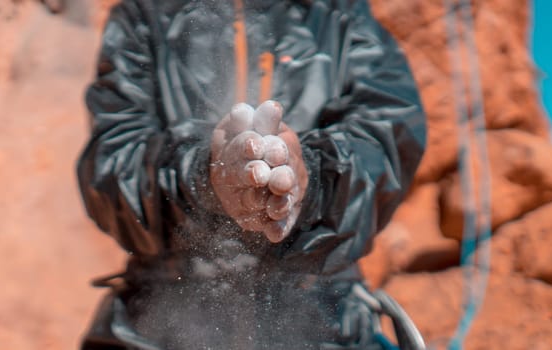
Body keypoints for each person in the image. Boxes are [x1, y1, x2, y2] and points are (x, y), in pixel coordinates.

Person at [76, 0, 426, 348]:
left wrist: (311, 180)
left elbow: (388, 141)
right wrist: (203, 178)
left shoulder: (338, 12)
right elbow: (110, 167)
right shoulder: (145, 14)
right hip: (159, 329)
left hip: (326, 326)